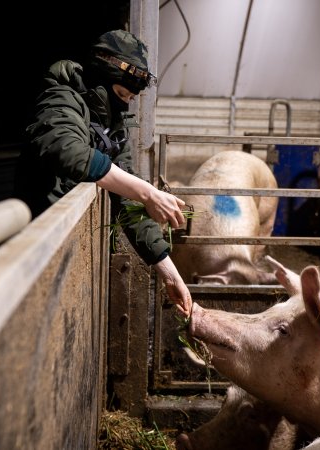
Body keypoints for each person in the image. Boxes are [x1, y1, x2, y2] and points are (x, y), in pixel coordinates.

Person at [14, 29, 192, 317]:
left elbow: (129, 198)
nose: (124, 103)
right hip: (38, 249)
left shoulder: (112, 124)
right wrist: (148, 192)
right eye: (121, 93)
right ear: (101, 78)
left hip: (68, 252)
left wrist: (170, 273)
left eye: (130, 97)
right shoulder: (61, 99)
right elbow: (66, 150)